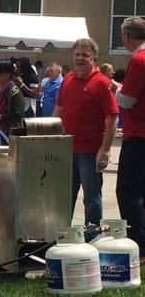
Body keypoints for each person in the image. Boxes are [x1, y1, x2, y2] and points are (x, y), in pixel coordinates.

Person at [53, 38, 118, 229]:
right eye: (77, 54)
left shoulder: (102, 83)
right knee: (64, 197)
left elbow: (113, 118)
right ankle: (62, 234)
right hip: (66, 149)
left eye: (85, 55)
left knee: (91, 198)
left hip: (90, 151)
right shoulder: (67, 80)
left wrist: (105, 150)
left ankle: (92, 236)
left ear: (94, 57)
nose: (80, 58)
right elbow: (59, 109)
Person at [115, 16, 145, 262]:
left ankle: (139, 244)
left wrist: (117, 89)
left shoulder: (138, 59)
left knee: (126, 191)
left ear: (127, 36)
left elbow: (128, 100)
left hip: (138, 134)